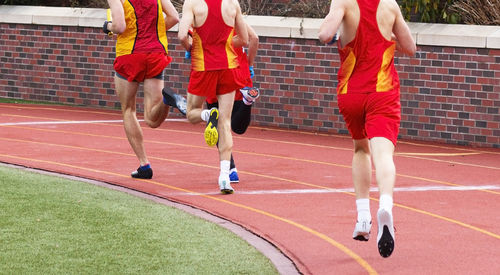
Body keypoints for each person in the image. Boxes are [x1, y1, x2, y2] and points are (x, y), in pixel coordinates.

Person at [318, 0, 416, 258]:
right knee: (383, 154)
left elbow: (324, 35)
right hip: (382, 92)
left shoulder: (343, 2)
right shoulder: (390, 5)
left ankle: (363, 217)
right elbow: (410, 47)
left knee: (361, 150)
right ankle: (385, 205)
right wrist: (389, 34)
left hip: (351, 92)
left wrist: (336, 25)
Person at [103, 0, 187, 179]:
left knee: (128, 110)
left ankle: (144, 163)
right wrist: (153, 33)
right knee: (152, 119)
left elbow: (119, 26)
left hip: (130, 54)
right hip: (156, 52)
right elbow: (174, 17)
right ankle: (167, 100)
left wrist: (107, 26)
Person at [178, 0, 249, 194]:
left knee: (192, 112)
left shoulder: (192, 3)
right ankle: (225, 176)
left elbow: (182, 35)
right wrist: (225, 43)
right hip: (227, 66)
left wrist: (191, 48)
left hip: (203, 66)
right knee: (225, 123)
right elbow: (245, 39)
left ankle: (208, 115)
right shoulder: (232, 3)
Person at [203, 22, 260, 183]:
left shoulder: (202, 15)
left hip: (215, 72)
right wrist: (249, 64)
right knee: (238, 127)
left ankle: (231, 169)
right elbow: (254, 38)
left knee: (219, 123)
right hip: (240, 73)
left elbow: (189, 40)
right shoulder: (235, 16)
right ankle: (248, 102)